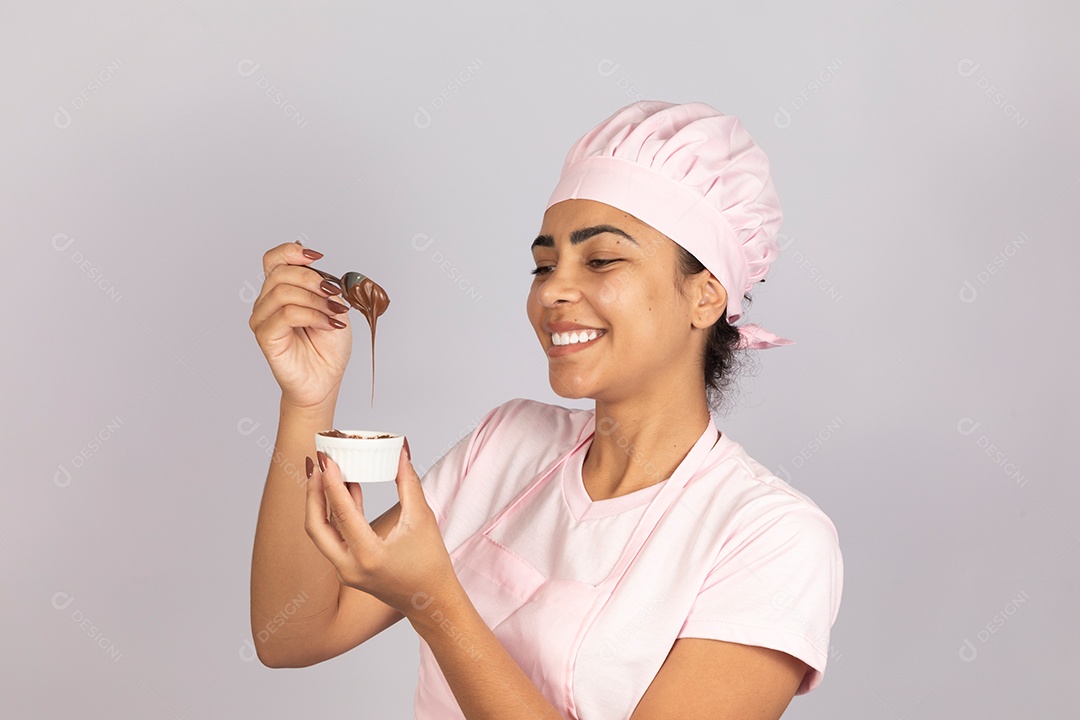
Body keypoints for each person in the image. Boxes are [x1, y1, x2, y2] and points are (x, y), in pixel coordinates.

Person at [248, 100, 843, 720]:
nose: (553, 289)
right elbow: (293, 633)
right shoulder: (508, 446)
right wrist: (307, 401)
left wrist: (437, 604)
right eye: (543, 265)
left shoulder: (771, 538)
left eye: (602, 259)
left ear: (704, 296)